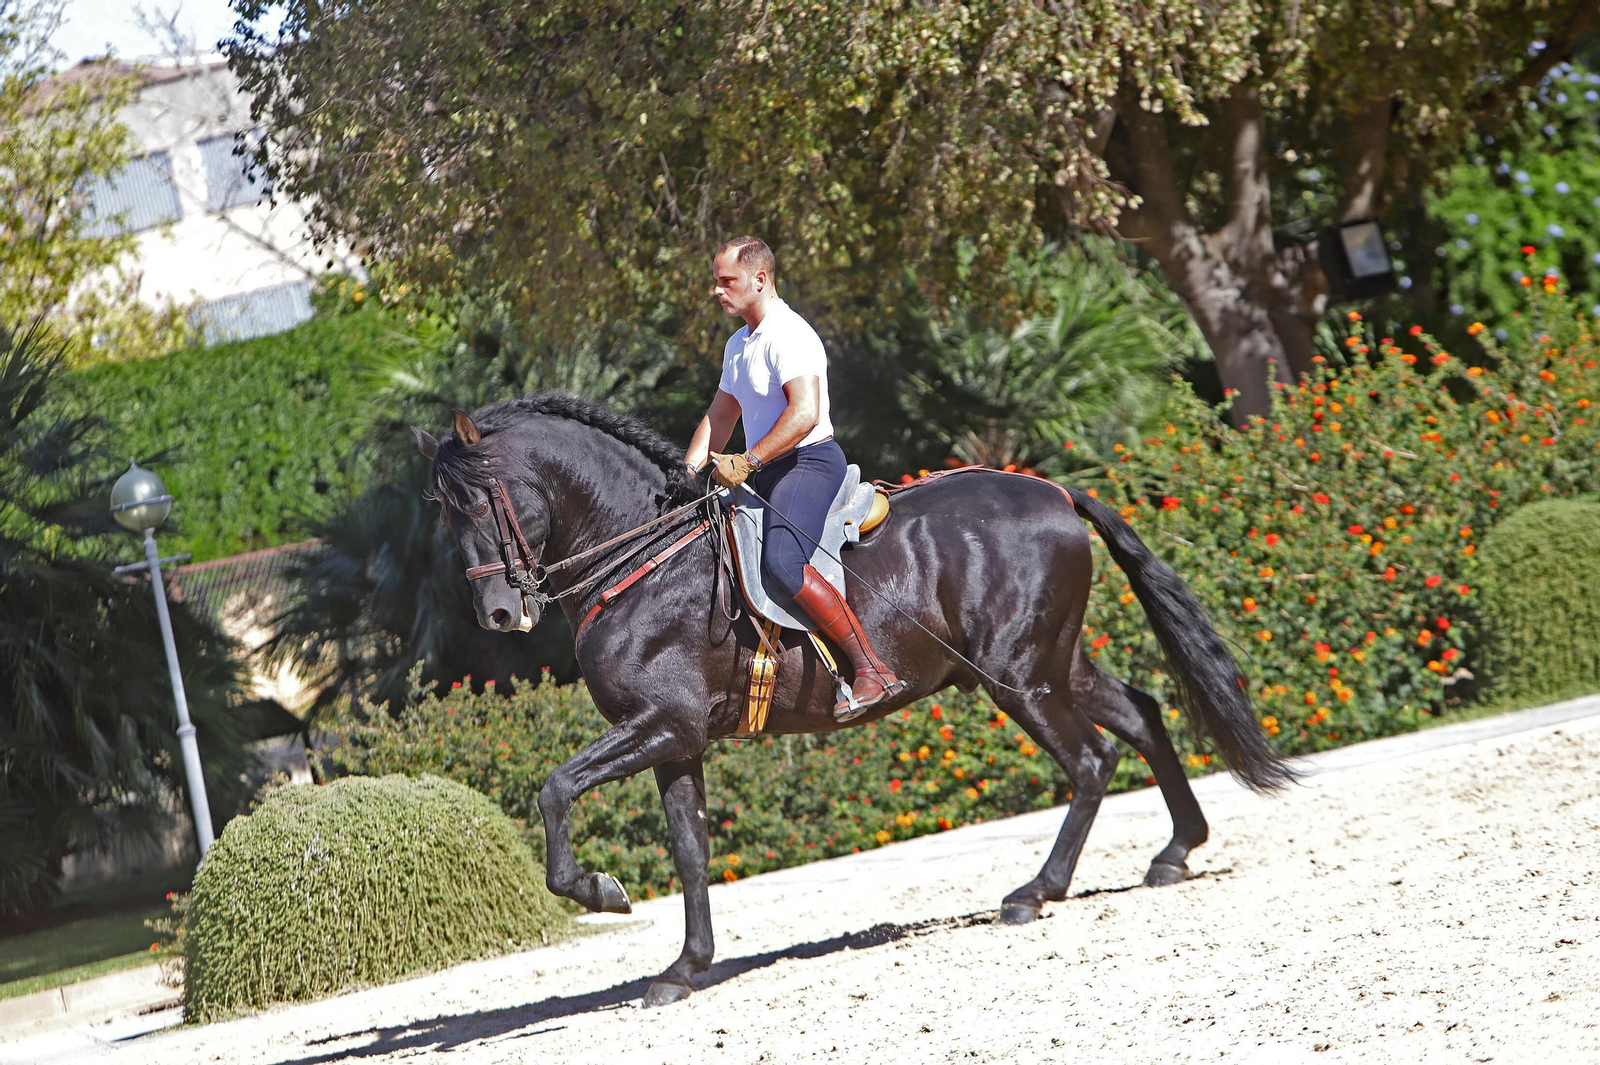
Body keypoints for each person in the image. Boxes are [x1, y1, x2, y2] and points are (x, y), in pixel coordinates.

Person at [684, 236, 904, 719]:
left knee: (783, 562)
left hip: (808, 463)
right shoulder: (738, 344)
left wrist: (747, 462)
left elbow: (804, 414)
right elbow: (720, 416)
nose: (716, 292)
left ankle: (871, 668)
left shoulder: (790, 334)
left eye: (727, 282)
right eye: (716, 282)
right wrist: (687, 470)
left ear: (759, 280)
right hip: (764, 467)